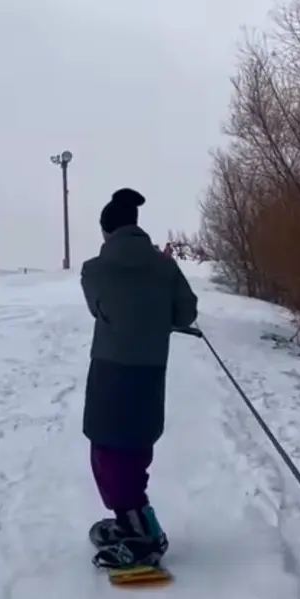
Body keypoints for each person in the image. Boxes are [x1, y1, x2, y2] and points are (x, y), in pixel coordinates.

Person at [80, 187, 199, 569]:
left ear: (106, 231)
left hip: (110, 373)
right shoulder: (165, 267)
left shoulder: (94, 270)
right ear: (135, 225)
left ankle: (143, 535)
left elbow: (99, 310)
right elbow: (185, 314)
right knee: (134, 452)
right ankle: (131, 521)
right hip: (150, 372)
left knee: (108, 455)